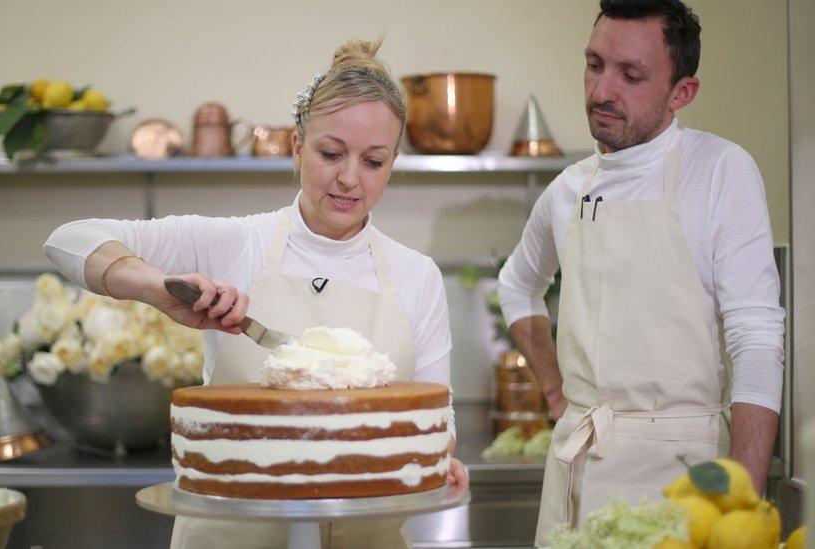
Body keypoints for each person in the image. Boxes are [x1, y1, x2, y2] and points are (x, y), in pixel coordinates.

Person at [44, 38, 467, 549]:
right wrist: (160, 289)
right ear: (296, 147)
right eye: (330, 153)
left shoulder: (416, 275)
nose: (349, 179)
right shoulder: (233, 244)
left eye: (373, 162)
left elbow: (435, 417)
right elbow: (67, 241)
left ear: (393, 163)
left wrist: (442, 459)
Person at [497, 0, 786, 543]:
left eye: (631, 75)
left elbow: (757, 338)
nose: (602, 91)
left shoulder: (720, 170)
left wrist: (741, 503)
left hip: (687, 475)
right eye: (594, 64)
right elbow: (516, 285)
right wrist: (558, 394)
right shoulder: (567, 190)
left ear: (682, 93)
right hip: (577, 468)